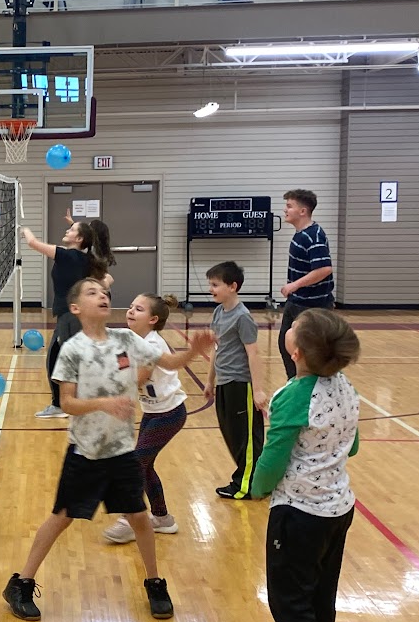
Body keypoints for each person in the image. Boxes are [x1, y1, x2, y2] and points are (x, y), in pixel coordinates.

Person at [2, 276, 213, 622]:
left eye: (103, 292)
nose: (102, 295)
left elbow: (169, 363)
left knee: (141, 519)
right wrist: (105, 403)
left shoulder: (125, 339)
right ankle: (21, 583)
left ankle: (154, 583)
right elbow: (67, 403)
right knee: (61, 519)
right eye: (91, 292)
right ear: (75, 308)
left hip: (120, 451)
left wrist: (193, 351)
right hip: (86, 452)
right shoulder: (72, 350)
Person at [250, 308, 360, 622]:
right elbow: (350, 447)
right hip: (338, 508)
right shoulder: (347, 389)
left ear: (294, 349)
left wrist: (258, 488)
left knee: (289, 604)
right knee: (318, 600)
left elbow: (274, 456)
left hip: (299, 513)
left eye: (292, 327)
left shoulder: (293, 395)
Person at [103, 292, 189, 543]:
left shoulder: (153, 345)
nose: (130, 311)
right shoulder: (130, 338)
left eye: (138, 309)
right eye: (130, 306)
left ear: (152, 319)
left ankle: (128, 520)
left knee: (136, 463)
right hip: (153, 412)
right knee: (145, 464)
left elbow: (138, 377)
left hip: (170, 413)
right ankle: (163, 519)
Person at [204, 261, 268, 501]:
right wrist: (210, 381)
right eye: (210, 284)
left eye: (215, 284)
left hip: (242, 385)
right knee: (231, 433)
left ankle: (248, 485)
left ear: (233, 286)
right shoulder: (219, 312)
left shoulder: (243, 317)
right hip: (225, 383)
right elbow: (216, 348)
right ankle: (250, 478)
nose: (211, 289)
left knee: (247, 438)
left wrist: (258, 390)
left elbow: (253, 353)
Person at [21, 219, 92, 417]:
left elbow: (33, 243)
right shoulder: (81, 257)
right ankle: (75, 402)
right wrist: (74, 223)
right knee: (69, 358)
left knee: (57, 359)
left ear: (79, 238)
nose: (67, 230)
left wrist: (24, 229)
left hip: (69, 316)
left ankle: (61, 405)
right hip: (73, 315)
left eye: (71, 230)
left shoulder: (67, 256)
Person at [278, 188, 335, 380]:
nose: (285, 210)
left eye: (289, 206)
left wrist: (294, 285)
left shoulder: (314, 236)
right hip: (297, 302)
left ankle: (309, 387)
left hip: (312, 306)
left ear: (302, 211)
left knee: (308, 352)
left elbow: (324, 268)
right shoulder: (301, 234)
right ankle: (295, 384)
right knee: (286, 345)